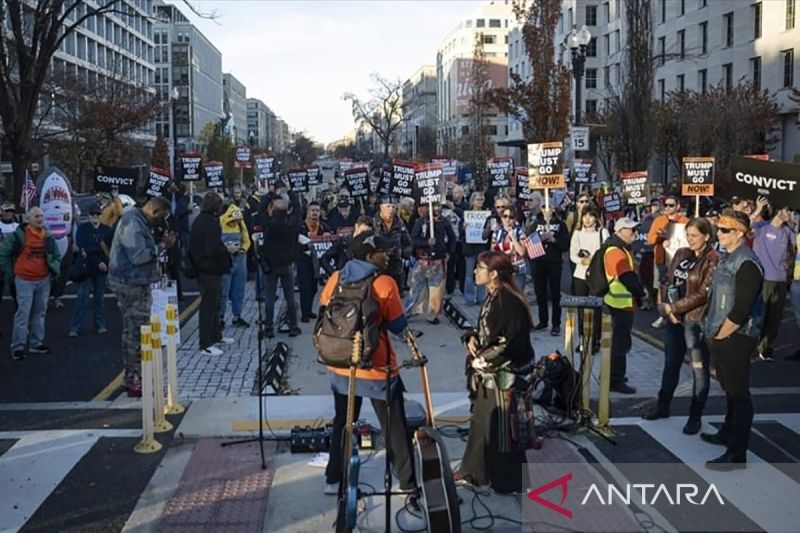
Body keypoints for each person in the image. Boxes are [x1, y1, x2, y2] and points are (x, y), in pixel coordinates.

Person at [320, 231, 416, 496]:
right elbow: (398, 325)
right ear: (369, 256)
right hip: (377, 367)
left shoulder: (336, 278)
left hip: (341, 363)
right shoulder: (384, 283)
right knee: (394, 425)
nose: (387, 256)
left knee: (343, 422)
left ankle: (333, 480)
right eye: (382, 252)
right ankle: (408, 482)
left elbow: (324, 309)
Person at [454, 251, 536, 494]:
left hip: (505, 374)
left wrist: (483, 360)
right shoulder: (493, 296)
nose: (475, 272)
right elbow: (487, 332)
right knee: (481, 423)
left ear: (494, 274)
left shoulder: (508, 302)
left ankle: (509, 482)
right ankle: (474, 472)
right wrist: (471, 338)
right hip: (489, 372)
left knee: (504, 430)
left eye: (480, 268)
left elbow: (511, 343)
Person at [701, 210, 764, 470]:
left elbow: (741, 309)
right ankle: (728, 432)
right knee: (729, 389)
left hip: (736, 336)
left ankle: (737, 452)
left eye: (725, 230)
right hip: (723, 333)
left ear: (739, 232)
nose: (719, 233)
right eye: (719, 229)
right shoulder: (729, 258)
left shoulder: (746, 262)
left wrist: (721, 335)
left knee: (739, 394)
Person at [643, 218, 719, 435]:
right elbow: (667, 279)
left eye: (695, 236)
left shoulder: (713, 259)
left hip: (695, 320)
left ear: (706, 236)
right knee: (671, 363)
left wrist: (673, 308)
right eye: (688, 235)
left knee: (699, 369)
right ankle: (663, 405)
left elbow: (703, 293)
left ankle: (695, 415)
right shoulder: (681, 253)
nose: (690, 240)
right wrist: (665, 305)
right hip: (674, 317)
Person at [108, 197, 174, 396]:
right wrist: (162, 246)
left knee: (140, 328)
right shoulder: (131, 223)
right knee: (136, 330)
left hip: (137, 281)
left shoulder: (138, 222)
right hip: (130, 283)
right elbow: (138, 256)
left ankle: (138, 375)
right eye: (161, 217)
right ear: (153, 211)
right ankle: (134, 377)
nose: (161, 222)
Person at [0, 207, 61, 361]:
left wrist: (55, 269)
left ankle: (36, 343)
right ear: (28, 219)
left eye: (41, 215)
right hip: (24, 279)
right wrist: (10, 273)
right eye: (36, 216)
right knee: (23, 313)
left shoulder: (47, 236)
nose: (40, 218)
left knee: (40, 312)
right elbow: (4, 254)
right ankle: (17, 347)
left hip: (43, 279)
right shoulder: (18, 236)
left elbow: (56, 255)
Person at [603, 217, 647, 394]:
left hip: (621, 303)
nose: (635, 234)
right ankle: (615, 380)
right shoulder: (616, 251)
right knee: (620, 344)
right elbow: (626, 277)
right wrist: (641, 293)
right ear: (620, 232)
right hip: (618, 304)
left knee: (620, 342)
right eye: (631, 230)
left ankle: (615, 375)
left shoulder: (621, 249)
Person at [190, 192, 234, 356]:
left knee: (214, 305)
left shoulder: (201, 221)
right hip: (209, 269)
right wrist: (227, 249)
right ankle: (205, 343)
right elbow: (212, 248)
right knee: (209, 306)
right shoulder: (210, 224)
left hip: (206, 268)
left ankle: (215, 336)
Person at [750, 203, 795, 362]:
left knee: (774, 318)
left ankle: (766, 348)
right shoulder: (761, 227)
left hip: (780, 280)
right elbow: (743, 228)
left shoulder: (788, 232)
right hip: (762, 279)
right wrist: (757, 210)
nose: (789, 213)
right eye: (787, 209)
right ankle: (753, 346)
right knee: (758, 315)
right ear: (778, 211)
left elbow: (795, 248)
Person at [406, 203, 456, 324]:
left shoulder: (445, 222)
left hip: (438, 260)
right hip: (423, 260)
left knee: (436, 290)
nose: (437, 209)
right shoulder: (421, 222)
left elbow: (452, 237)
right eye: (434, 207)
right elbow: (413, 240)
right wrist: (426, 242)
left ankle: (432, 315)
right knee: (415, 288)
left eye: (439, 207)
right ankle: (407, 312)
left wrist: (449, 252)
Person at [569, 206, 609, 353]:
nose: (587, 219)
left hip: (596, 275)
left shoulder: (602, 233)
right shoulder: (577, 233)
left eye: (591, 216)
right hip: (580, 274)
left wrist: (593, 260)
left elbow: (606, 252)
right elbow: (573, 253)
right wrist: (581, 260)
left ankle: (595, 341)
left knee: (595, 308)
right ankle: (582, 340)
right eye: (585, 216)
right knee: (582, 309)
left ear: (596, 218)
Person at [260, 198, 302, 338]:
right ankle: (293, 326)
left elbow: (261, 210)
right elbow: (298, 210)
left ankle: (269, 327)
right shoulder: (291, 224)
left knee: (270, 297)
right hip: (286, 263)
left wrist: (270, 196)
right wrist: (292, 194)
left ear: (272, 211)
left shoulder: (269, 224)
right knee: (290, 297)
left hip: (271, 264)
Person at [68, 206, 112, 337]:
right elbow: (82, 249)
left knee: (99, 299)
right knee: (82, 298)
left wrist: (90, 250)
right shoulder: (82, 229)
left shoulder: (106, 229)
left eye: (98, 214)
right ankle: (75, 327)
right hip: (87, 269)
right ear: (89, 216)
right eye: (93, 214)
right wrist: (98, 259)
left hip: (101, 269)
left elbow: (107, 249)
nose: (95, 217)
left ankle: (100, 324)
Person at [647, 196, 689, 328]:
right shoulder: (659, 220)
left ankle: (677, 312)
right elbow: (650, 239)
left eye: (671, 205)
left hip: (680, 261)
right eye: (665, 205)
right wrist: (661, 238)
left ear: (678, 206)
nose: (667, 208)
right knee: (661, 287)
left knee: (679, 287)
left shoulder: (685, 221)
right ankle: (661, 315)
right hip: (661, 260)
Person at [530, 207, 569, 336]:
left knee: (555, 294)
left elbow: (565, 245)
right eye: (543, 207)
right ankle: (543, 321)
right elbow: (529, 244)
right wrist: (541, 239)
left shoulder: (560, 224)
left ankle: (556, 324)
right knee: (540, 293)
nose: (546, 210)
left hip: (554, 262)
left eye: (549, 207)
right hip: (538, 261)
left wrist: (553, 240)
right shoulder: (535, 224)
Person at [219, 201, 251, 329]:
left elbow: (246, 239)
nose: (235, 223)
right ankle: (220, 317)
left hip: (240, 259)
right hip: (226, 260)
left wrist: (243, 249)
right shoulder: (220, 223)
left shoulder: (240, 223)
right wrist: (226, 249)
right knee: (223, 291)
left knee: (239, 290)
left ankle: (237, 315)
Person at [372, 196, 412, 297]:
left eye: (393, 207)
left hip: (396, 265)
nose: (391, 210)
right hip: (378, 265)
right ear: (381, 207)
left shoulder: (399, 222)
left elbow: (408, 242)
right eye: (388, 206)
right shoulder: (373, 222)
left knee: (397, 295)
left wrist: (403, 253)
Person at [297, 201, 329, 322]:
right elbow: (296, 242)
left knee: (313, 287)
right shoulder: (301, 226)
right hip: (303, 260)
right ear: (308, 212)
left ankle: (309, 310)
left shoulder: (324, 226)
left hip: (317, 262)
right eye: (313, 210)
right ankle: (304, 313)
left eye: (317, 210)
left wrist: (327, 235)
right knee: (305, 287)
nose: (315, 213)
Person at [489, 204, 528, 293]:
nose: (507, 220)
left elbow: (522, 252)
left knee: (517, 297)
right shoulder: (497, 232)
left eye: (511, 217)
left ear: (515, 218)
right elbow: (493, 251)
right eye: (505, 216)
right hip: (502, 269)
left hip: (517, 270)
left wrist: (513, 238)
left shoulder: (520, 232)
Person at [463, 191, 489, 306]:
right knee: (469, 274)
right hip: (469, 247)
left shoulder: (487, 215)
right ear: (472, 201)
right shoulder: (466, 215)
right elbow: (460, 233)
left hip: (482, 247)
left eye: (481, 199)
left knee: (482, 272)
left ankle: (481, 297)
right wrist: (463, 227)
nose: (480, 202)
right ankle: (469, 298)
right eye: (478, 199)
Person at [0, 201, 20, 304]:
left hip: (13, 260)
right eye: (6, 211)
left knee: (15, 289)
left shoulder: (18, 227)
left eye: (11, 211)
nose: (8, 213)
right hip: (1, 259)